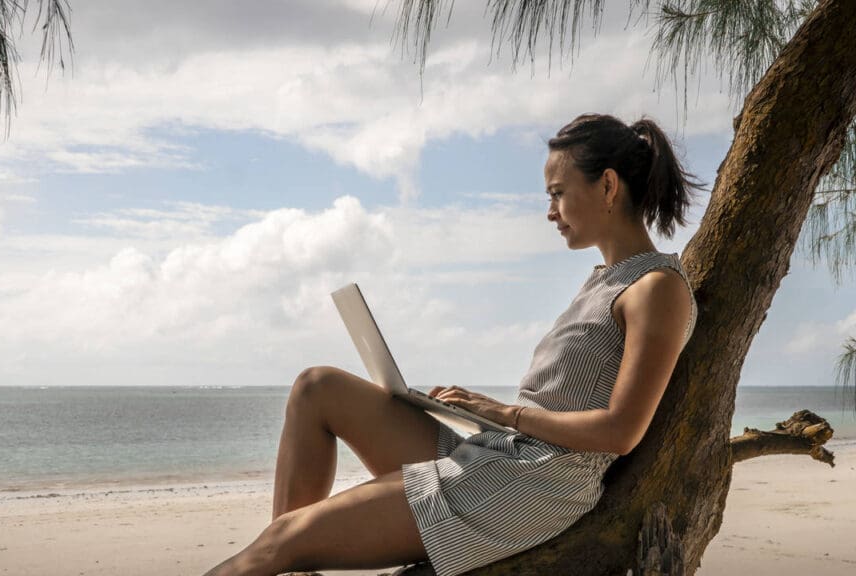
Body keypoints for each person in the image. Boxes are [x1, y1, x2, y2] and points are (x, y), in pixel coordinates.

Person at [202, 113, 702, 576]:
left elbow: (621, 432)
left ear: (608, 185)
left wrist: (506, 414)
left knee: (280, 538)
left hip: (537, 482)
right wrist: (487, 419)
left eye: (557, 193)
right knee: (317, 388)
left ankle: (281, 556)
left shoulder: (656, 288)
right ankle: (288, 567)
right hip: (500, 451)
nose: (550, 211)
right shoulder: (605, 280)